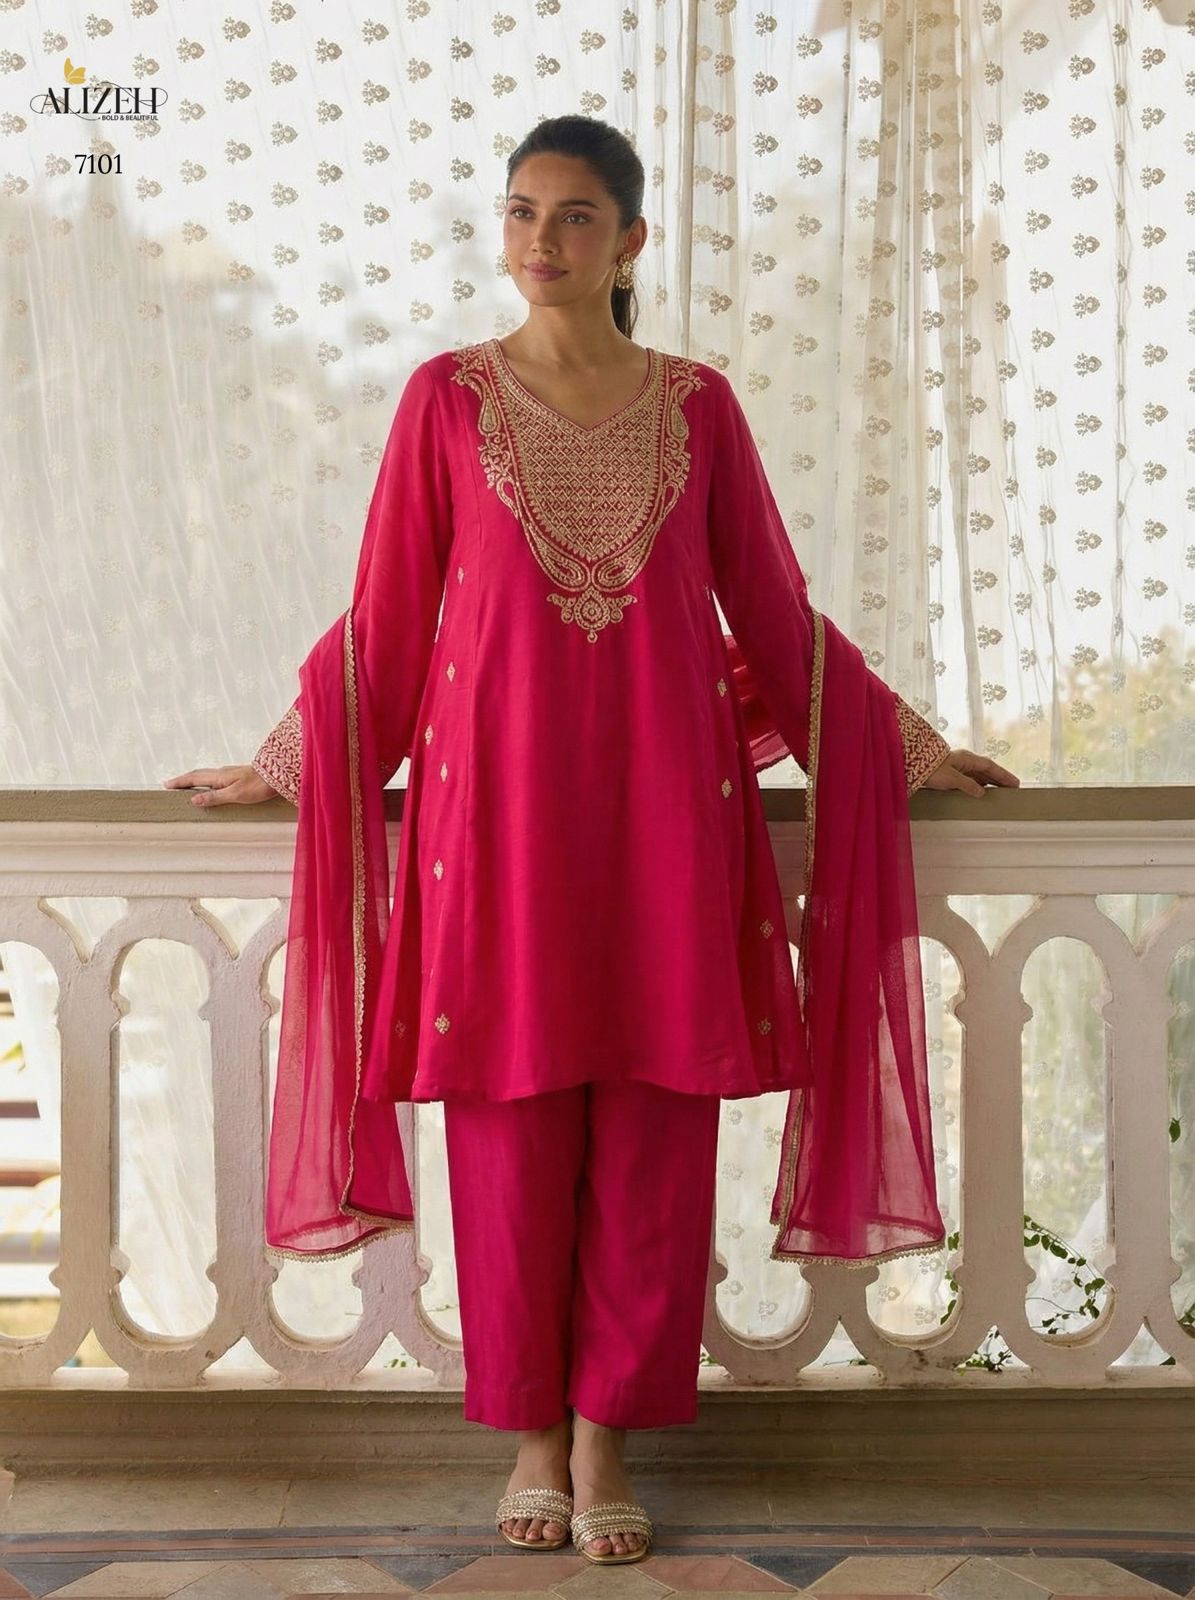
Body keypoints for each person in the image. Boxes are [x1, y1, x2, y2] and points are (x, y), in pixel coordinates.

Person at [164, 114, 1019, 1568]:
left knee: (657, 1131)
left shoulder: (699, 407)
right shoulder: (445, 400)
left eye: (572, 217)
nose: (539, 241)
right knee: (504, 1130)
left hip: (669, 816)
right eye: (520, 212)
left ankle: (611, 1433)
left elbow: (769, 605)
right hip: (493, 823)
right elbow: (390, 615)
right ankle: (530, 1436)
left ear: (630, 241)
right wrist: (293, 756)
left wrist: (904, 744)